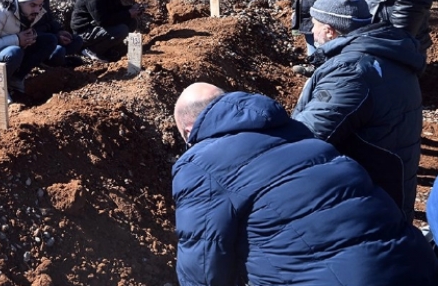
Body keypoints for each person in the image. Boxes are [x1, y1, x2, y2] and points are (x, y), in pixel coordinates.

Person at [173, 82, 437, 286]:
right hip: (417, 264)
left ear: (188, 130)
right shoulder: (303, 138)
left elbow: (203, 264)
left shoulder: (199, 164)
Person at [292, 0, 424, 220]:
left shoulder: (351, 71)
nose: (312, 31)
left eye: (315, 25)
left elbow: (306, 138)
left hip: (363, 204)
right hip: (385, 193)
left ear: (330, 30)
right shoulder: (385, 53)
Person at [71, 0, 141, 63]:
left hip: (97, 26)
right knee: (122, 30)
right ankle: (91, 50)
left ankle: (107, 49)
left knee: (131, 22)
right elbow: (102, 20)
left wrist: (132, 9)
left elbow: (115, 9)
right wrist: (128, 13)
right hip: (84, 30)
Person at [34, 0, 84, 67]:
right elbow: (31, 33)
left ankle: (58, 60)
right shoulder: (31, 1)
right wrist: (56, 37)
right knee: (59, 51)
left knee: (77, 41)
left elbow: (49, 19)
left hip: (50, 38)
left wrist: (59, 31)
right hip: (37, 43)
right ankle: (46, 62)